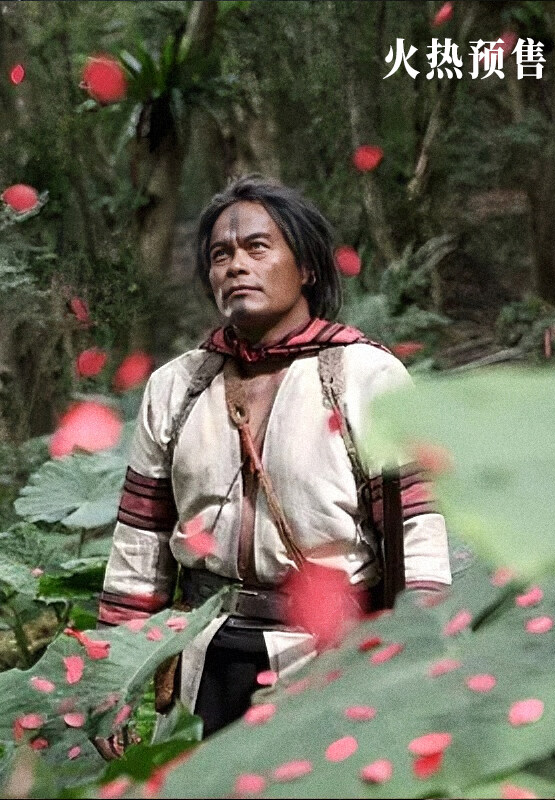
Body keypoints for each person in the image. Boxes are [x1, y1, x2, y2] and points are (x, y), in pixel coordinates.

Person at [97, 176, 451, 737]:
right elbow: (140, 540)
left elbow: (415, 534)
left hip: (329, 654)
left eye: (257, 247)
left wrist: (419, 659)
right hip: (201, 657)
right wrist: (110, 686)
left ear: (305, 266)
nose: (236, 265)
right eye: (221, 255)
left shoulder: (365, 376)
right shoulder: (175, 387)